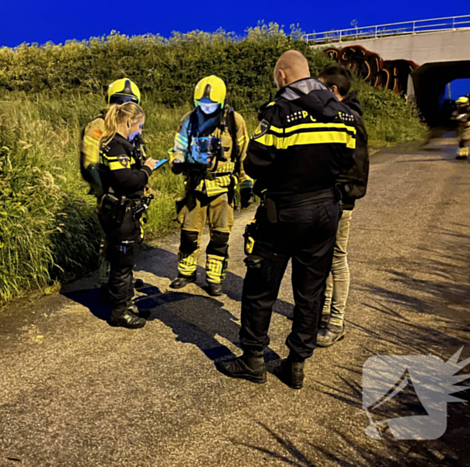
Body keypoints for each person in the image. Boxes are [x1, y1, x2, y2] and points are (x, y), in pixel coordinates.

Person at [217, 50, 356, 388]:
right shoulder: (344, 114)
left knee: (261, 287)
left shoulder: (279, 112)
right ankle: (296, 364)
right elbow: (348, 160)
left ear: (282, 76)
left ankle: (253, 358)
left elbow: (255, 163)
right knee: (311, 291)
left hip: (284, 212)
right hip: (326, 211)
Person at [168, 76, 253, 297]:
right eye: (201, 103)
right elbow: (178, 146)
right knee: (189, 233)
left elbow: (244, 154)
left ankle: (215, 277)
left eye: (211, 104)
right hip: (195, 185)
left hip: (223, 188)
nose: (206, 107)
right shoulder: (189, 120)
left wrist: (246, 184)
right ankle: (186, 272)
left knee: (220, 236)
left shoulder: (235, 121)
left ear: (221, 102)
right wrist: (177, 160)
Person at [316, 65, 370, 347]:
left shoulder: (351, 121)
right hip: (328, 200)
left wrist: (338, 194)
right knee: (323, 258)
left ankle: (336, 322)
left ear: (333, 91)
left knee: (337, 259)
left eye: (320, 87)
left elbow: (355, 169)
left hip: (339, 202)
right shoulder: (338, 116)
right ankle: (323, 312)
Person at [97, 102, 158, 328]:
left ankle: (127, 301)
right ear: (129, 122)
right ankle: (119, 311)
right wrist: (147, 170)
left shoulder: (119, 144)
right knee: (122, 262)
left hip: (124, 212)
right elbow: (125, 181)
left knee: (127, 259)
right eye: (139, 127)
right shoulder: (115, 146)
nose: (140, 132)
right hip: (120, 212)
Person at [80, 79, 145, 292]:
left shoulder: (129, 125)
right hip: (112, 195)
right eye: (118, 101)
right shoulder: (98, 125)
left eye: (128, 102)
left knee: (126, 241)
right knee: (110, 240)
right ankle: (109, 284)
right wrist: (104, 193)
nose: (122, 106)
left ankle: (121, 282)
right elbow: (89, 163)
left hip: (129, 193)